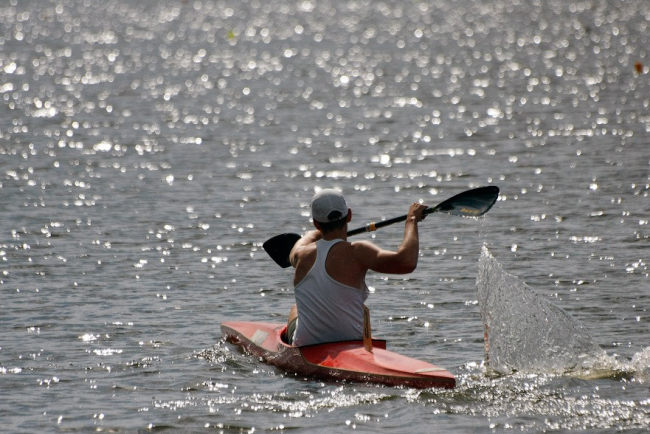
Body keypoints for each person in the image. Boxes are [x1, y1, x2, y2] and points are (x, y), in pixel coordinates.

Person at [286, 188, 427, 346]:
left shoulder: (299, 254)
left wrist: (320, 233)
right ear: (349, 215)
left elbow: (306, 239)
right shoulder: (358, 251)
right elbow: (407, 262)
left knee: (295, 309)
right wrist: (412, 219)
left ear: (316, 223)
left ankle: (288, 344)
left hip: (307, 347)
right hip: (351, 344)